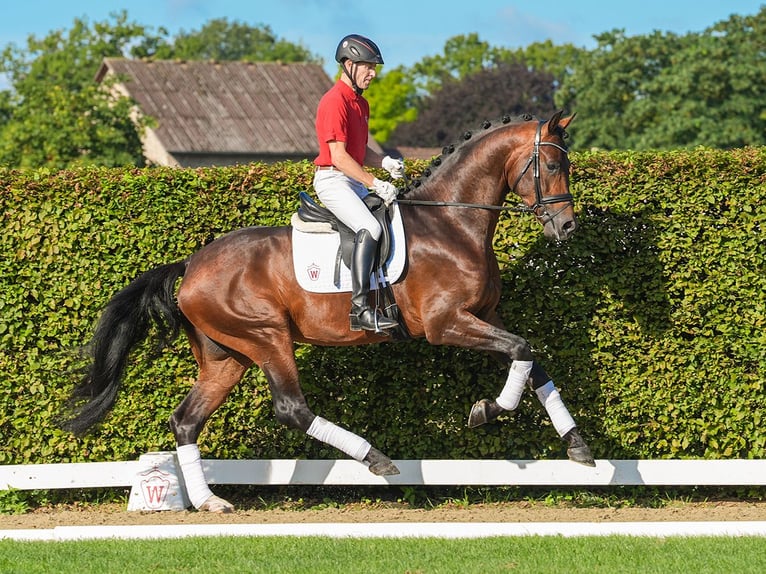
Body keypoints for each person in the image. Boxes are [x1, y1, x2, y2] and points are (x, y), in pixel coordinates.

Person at [313, 34, 405, 333]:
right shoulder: (334, 101)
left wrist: (386, 162)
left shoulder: (359, 104)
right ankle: (361, 308)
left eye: (374, 67)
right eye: (368, 67)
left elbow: (360, 150)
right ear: (349, 64)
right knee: (372, 227)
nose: (373, 73)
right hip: (333, 181)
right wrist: (376, 183)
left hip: (352, 179)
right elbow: (339, 157)